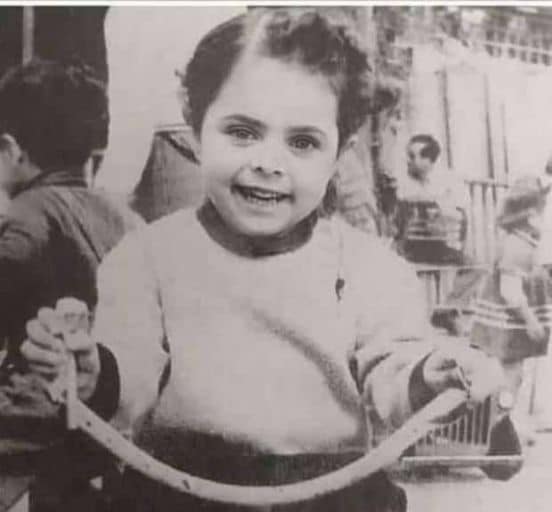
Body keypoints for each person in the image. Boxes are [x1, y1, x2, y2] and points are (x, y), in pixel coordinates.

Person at [21, 9, 504, 512]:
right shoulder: (147, 258)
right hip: (182, 493)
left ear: (340, 153)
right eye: (242, 132)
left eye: (303, 142)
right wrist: (92, 371)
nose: (268, 163)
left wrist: (432, 375)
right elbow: (131, 368)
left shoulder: (370, 270)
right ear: (194, 128)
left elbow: (393, 373)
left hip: (331, 496)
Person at [0, 59, 142, 511]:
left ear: (11, 150)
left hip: (38, 417)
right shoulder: (128, 218)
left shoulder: (27, 216)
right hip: (107, 420)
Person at [471, 175, 551, 451]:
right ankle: (500, 428)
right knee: (510, 376)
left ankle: (507, 423)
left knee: (514, 374)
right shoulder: (517, 247)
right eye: (543, 213)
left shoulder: (524, 241)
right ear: (530, 216)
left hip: (511, 325)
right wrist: (530, 320)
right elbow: (510, 291)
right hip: (507, 325)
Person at [395, 134, 470, 264]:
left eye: (412, 156)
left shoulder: (449, 181)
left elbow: (460, 212)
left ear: (427, 159)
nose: (408, 161)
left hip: (443, 244)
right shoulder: (404, 182)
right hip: (412, 246)